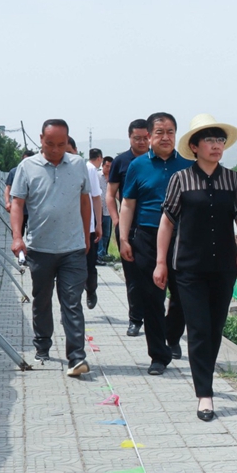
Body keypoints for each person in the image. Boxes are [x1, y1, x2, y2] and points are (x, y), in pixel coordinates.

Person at [154, 114, 237, 421]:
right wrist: (160, 263)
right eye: (209, 140)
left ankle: (205, 380)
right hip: (188, 268)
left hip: (224, 267)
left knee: (215, 328)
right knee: (197, 328)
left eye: (220, 140)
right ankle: (205, 394)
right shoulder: (180, 180)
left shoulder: (233, 180)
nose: (216, 145)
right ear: (194, 147)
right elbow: (167, 223)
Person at [10, 119, 92, 377]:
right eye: (50, 144)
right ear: (40, 140)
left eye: (61, 144)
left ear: (68, 141)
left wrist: (87, 236)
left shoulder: (78, 165)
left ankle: (76, 357)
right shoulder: (27, 167)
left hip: (73, 249)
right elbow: (17, 203)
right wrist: (17, 237)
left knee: (72, 301)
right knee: (42, 299)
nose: (56, 149)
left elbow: (85, 202)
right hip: (40, 248)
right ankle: (42, 344)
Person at [119, 112, 191, 375]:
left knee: (183, 296)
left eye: (170, 132)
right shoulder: (138, 166)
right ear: (149, 136)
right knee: (152, 297)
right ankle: (158, 356)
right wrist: (124, 239)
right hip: (147, 237)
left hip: (182, 238)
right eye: (160, 132)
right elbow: (128, 204)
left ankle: (172, 336)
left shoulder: (187, 165)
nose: (166, 137)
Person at [107, 119, 150, 336]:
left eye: (145, 138)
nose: (141, 142)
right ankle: (135, 320)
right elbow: (110, 194)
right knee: (133, 277)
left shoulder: (158, 160)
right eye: (137, 138)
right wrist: (117, 220)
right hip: (129, 228)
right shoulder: (121, 162)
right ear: (129, 137)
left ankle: (156, 319)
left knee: (154, 276)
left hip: (154, 227)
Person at [85, 148, 104, 308]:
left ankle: (91, 290)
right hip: (68, 228)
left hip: (88, 227)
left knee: (89, 264)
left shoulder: (89, 170)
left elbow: (96, 197)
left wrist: (98, 223)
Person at [4, 149, 35, 235]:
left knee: (33, 236)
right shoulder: (14, 172)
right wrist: (7, 202)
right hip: (18, 209)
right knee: (17, 235)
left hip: (33, 210)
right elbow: (8, 188)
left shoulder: (37, 172)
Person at [96, 155, 113, 261]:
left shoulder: (113, 178)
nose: (109, 169)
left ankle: (104, 253)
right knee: (100, 233)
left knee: (107, 233)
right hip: (99, 209)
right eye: (107, 166)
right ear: (102, 165)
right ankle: (99, 254)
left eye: (111, 166)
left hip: (108, 210)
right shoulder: (97, 176)